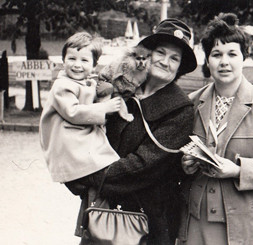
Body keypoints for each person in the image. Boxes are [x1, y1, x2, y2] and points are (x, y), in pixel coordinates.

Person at [65, 19, 197, 245]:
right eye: (160, 53)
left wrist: (88, 176)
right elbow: (87, 134)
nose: (165, 62)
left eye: (174, 58)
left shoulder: (181, 109)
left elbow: (143, 165)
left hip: (147, 223)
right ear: (146, 54)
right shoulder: (122, 89)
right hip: (102, 215)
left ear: (179, 67)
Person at [178, 13, 253, 245]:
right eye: (216, 54)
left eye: (232, 54)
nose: (224, 62)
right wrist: (185, 165)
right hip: (196, 222)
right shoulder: (191, 103)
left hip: (244, 226)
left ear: (244, 57)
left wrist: (238, 170)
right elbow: (177, 158)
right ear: (207, 60)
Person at [39, 31, 121, 183]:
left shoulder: (86, 82)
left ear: (94, 65)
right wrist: (104, 108)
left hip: (77, 135)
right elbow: (73, 112)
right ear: (63, 61)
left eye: (84, 60)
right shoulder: (62, 85)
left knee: (105, 163)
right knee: (103, 169)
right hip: (68, 140)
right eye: (71, 58)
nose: (77, 65)